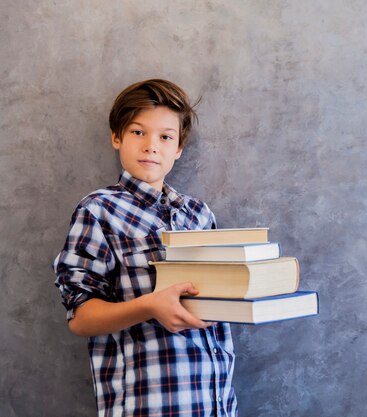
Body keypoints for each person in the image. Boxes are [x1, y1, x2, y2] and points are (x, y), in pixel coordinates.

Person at [53, 79, 237, 416]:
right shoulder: (98, 210)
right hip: (147, 404)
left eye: (165, 136)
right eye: (139, 132)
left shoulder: (199, 214)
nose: (151, 146)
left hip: (215, 402)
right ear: (117, 136)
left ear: (179, 147)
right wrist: (150, 306)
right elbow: (80, 318)